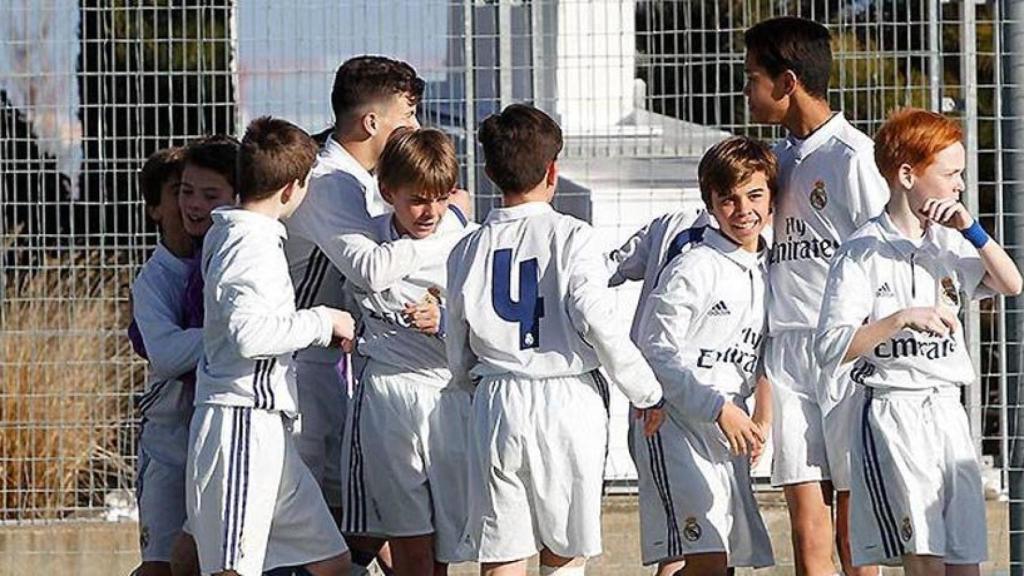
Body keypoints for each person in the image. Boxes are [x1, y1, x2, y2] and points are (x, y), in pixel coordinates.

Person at [445, 103, 665, 576]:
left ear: (488, 172)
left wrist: (470, 385)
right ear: (553, 171)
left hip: (497, 395)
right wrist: (645, 391)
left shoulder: (467, 247)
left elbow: (456, 337)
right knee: (564, 550)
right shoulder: (573, 237)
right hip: (566, 398)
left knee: (501, 551)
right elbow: (596, 317)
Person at [816, 107, 1022, 575]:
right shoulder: (861, 252)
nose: (959, 185)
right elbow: (831, 346)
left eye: (962, 173)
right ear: (907, 175)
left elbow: (1011, 284)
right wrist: (901, 318)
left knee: (964, 556)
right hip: (895, 411)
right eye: (950, 173)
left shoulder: (950, 243)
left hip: (947, 410)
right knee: (923, 554)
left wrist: (971, 228)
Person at [282, 57, 467, 573]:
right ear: (371, 123)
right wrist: (452, 226)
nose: (416, 129)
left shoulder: (366, 183)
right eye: (407, 118)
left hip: (348, 368)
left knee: (364, 526)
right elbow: (368, 269)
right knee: (316, 524)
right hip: (299, 367)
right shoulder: (329, 181)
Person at [744, 16, 888, 575]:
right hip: (787, 353)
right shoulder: (773, 161)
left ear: (786, 82)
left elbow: (882, 254)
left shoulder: (854, 158)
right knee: (808, 528)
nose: (746, 90)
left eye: (752, 77)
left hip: (845, 355)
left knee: (856, 530)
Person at [185, 116, 355, 576]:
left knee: (331, 561)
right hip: (240, 421)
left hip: (269, 428)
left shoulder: (247, 236)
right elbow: (248, 333)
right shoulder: (248, 244)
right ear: (291, 190)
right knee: (231, 568)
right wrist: (324, 321)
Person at [632, 136, 776, 576]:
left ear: (773, 197)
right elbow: (652, 348)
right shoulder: (694, 267)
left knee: (720, 557)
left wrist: (761, 418)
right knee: (706, 557)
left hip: (728, 431)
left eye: (754, 195)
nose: (743, 209)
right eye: (728, 199)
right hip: (675, 426)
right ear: (710, 206)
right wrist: (717, 409)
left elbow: (768, 350)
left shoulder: (772, 269)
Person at [340, 127, 475, 576]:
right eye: (417, 199)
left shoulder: (468, 244)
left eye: (440, 198)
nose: (430, 211)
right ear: (387, 192)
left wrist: (446, 324)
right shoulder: (365, 245)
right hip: (387, 398)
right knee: (409, 545)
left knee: (445, 548)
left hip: (449, 398)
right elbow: (352, 294)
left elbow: (494, 331)